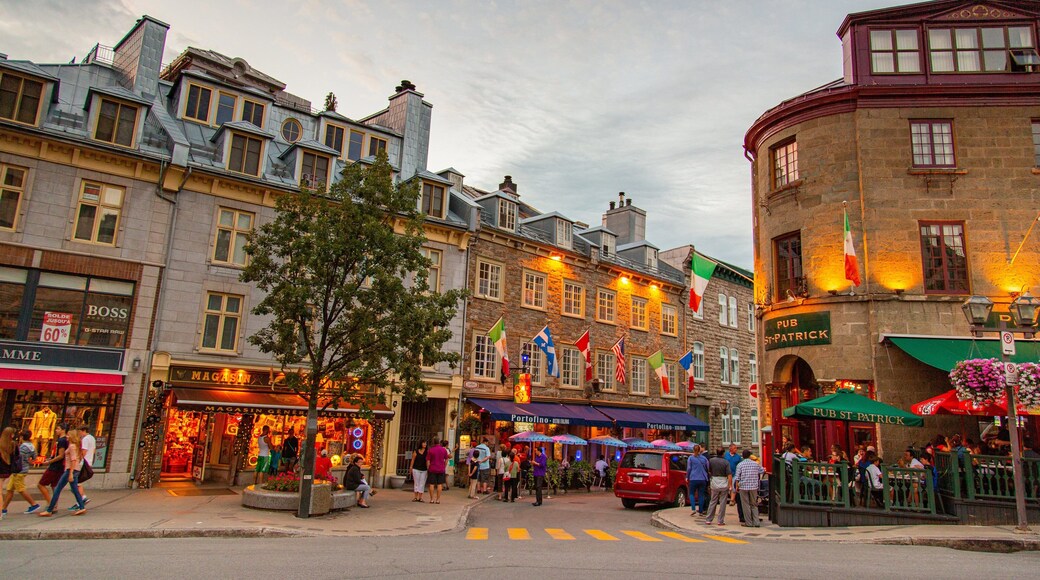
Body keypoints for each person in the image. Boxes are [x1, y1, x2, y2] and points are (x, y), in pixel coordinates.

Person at [39, 426, 86, 517]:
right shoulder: (75, 446)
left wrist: (71, 473)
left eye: (68, 436)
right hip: (74, 469)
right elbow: (78, 458)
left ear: (72, 437)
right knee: (75, 490)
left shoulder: (72, 446)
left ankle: (49, 509)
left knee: (57, 489)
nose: (67, 437)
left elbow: (73, 460)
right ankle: (82, 507)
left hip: (70, 470)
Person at [3, 430, 40, 516]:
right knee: (10, 489)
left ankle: (33, 504)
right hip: (24, 468)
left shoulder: (22, 447)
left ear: (22, 437)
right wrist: (29, 461)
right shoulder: (31, 446)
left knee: (21, 489)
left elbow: (16, 457)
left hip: (18, 470)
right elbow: (34, 457)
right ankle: (3, 508)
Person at [37, 423, 68, 506]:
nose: (56, 431)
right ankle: (55, 505)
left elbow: (61, 455)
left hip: (55, 466)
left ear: (63, 430)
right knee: (54, 486)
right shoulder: (64, 440)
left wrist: (49, 462)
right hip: (60, 466)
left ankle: (51, 504)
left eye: (58, 429)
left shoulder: (62, 440)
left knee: (41, 484)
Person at [733, 450, 766, 527]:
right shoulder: (755, 464)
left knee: (745, 505)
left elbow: (737, 477)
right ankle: (756, 522)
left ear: (743, 456)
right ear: (749, 456)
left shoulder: (740, 465)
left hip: (743, 486)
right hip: (754, 486)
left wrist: (737, 487)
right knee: (754, 504)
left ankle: (748, 522)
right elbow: (762, 470)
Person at [703, 448, 732, 526]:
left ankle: (708, 519)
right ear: (723, 453)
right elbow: (729, 474)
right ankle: (720, 520)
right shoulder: (726, 462)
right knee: (723, 502)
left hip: (714, 481)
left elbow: (709, 470)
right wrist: (730, 485)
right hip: (723, 482)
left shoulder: (711, 461)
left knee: (713, 501)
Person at [685, 444, 709, 516]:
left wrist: (687, 476)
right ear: (699, 450)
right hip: (702, 478)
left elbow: (689, 468)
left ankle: (693, 509)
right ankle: (701, 511)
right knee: (701, 495)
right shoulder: (704, 459)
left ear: (693, 450)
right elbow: (707, 467)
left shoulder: (691, 458)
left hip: (693, 478)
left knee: (691, 493)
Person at [76, 425, 96, 505]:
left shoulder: (85, 439)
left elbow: (84, 451)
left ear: (83, 431)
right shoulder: (92, 438)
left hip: (83, 462)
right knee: (78, 482)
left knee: (77, 482)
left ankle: (82, 498)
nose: (79, 434)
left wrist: (78, 460)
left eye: (79, 431)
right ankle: (81, 499)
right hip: (89, 462)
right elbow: (94, 451)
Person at [426, 439, 449, 504]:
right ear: (439, 442)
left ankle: (431, 499)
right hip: (441, 469)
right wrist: (444, 466)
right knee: (439, 484)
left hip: (432, 468)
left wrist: (428, 467)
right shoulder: (443, 450)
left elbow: (428, 461)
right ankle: (438, 499)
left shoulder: (431, 450)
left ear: (433, 442)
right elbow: (446, 459)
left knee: (431, 484)